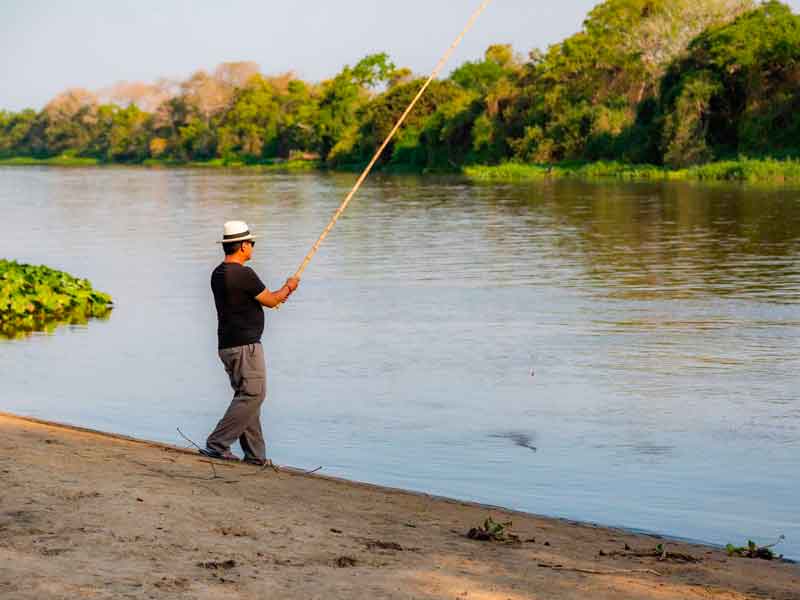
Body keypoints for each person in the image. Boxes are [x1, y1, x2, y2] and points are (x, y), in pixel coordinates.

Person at [200, 220, 299, 466]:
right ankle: (217, 444)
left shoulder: (218, 273)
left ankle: (255, 456)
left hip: (228, 345)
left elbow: (262, 300)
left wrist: (280, 295)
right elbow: (272, 300)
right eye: (251, 243)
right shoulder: (243, 274)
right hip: (245, 346)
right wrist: (289, 287)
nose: (253, 247)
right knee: (253, 395)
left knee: (247, 395)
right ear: (243, 246)